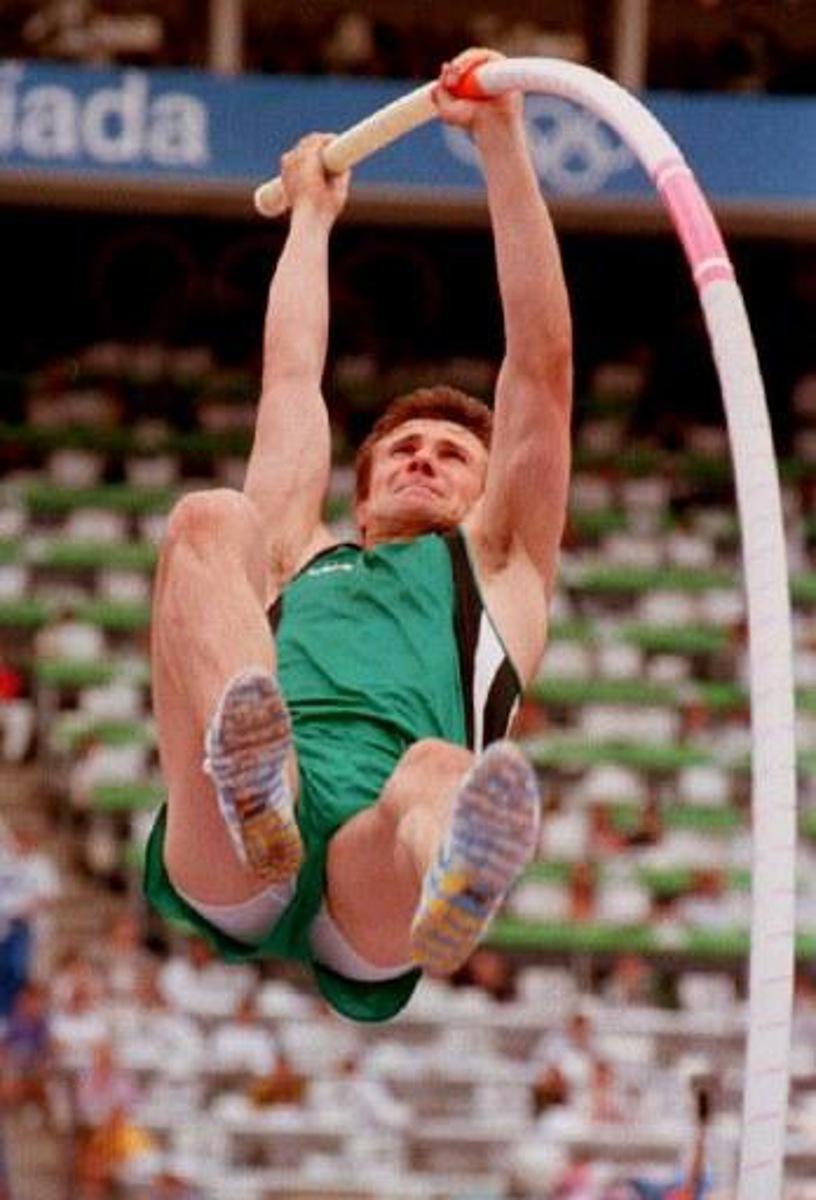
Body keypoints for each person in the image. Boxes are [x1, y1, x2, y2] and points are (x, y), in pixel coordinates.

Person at [144, 47, 572, 1023]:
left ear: (484, 495)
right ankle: (258, 788)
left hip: (367, 879)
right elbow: (291, 379)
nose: (425, 457)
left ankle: (457, 881)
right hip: (245, 833)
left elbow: (540, 370)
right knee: (211, 520)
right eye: (404, 449)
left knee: (438, 772)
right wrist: (311, 219)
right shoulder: (304, 551)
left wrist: (502, 147)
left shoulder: (497, 573)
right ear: (364, 491)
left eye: (454, 455)